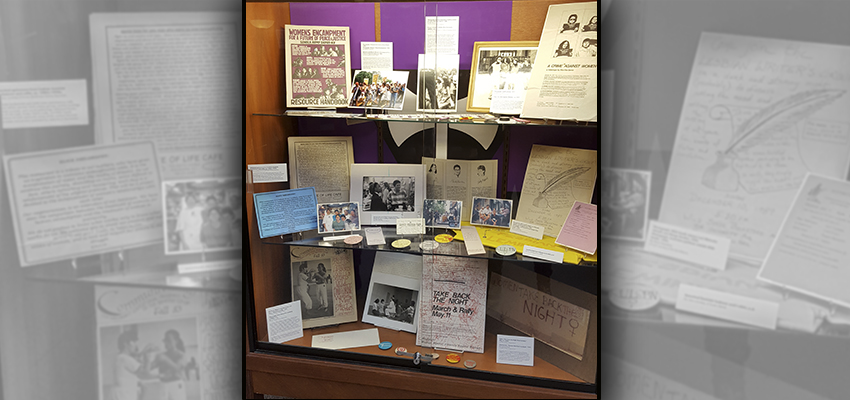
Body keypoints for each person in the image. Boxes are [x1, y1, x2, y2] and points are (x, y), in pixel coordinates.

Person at [112, 330, 152, 400]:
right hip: (124, 396)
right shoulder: (125, 358)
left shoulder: (120, 357)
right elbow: (145, 374)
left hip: (122, 395)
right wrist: (147, 359)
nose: (136, 346)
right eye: (134, 342)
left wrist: (143, 353)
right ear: (126, 344)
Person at [152, 330, 188, 400]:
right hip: (163, 385)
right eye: (165, 340)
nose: (166, 343)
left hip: (176, 386)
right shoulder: (161, 355)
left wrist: (165, 359)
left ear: (176, 341)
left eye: (168, 340)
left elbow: (177, 368)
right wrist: (147, 355)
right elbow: (148, 368)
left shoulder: (181, 355)